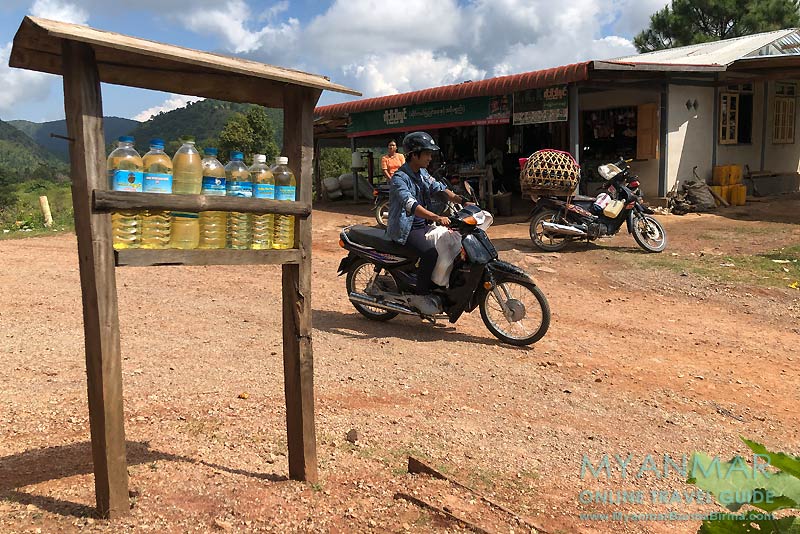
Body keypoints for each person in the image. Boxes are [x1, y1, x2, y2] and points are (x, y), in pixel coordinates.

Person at [387, 131, 468, 316]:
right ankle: (421, 295)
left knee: (451, 241)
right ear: (414, 155)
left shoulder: (422, 173)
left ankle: (436, 286)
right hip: (405, 230)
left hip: (422, 225)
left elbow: (438, 187)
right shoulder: (400, 178)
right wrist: (436, 217)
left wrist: (461, 200)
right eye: (427, 154)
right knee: (431, 253)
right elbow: (410, 204)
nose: (431, 158)